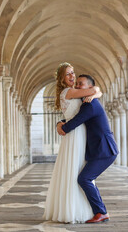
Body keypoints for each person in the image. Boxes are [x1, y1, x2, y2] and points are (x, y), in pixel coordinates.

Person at [43, 62, 102, 223]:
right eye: (68, 74)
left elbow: (95, 92)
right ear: (62, 78)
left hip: (77, 133)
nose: (72, 76)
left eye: (73, 72)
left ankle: (80, 208)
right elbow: (96, 89)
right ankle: (74, 210)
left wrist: (94, 94)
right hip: (76, 134)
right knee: (76, 169)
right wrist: (94, 93)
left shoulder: (69, 92)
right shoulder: (69, 91)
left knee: (77, 168)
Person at [57, 74, 118, 224]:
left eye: (80, 84)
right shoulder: (89, 103)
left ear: (90, 88)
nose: (77, 86)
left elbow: (74, 122)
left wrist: (61, 126)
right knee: (86, 178)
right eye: (76, 83)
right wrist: (61, 123)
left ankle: (101, 212)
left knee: (84, 178)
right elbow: (77, 118)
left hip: (105, 150)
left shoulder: (90, 105)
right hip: (100, 150)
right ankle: (100, 211)